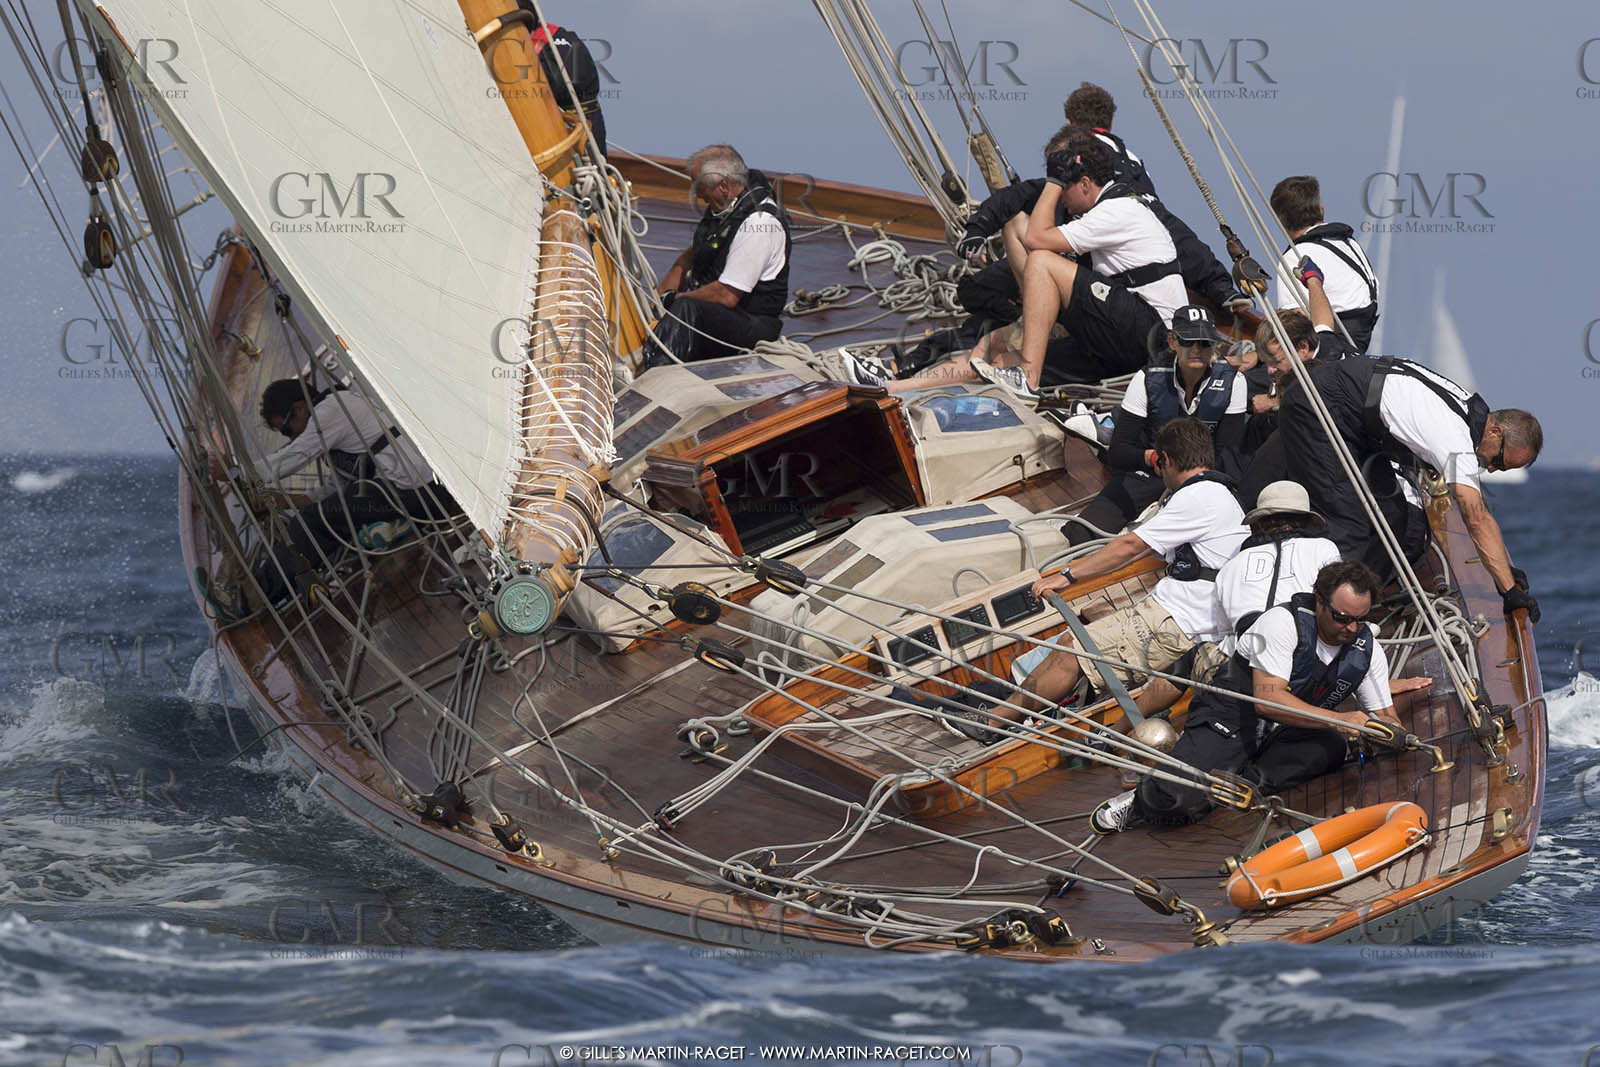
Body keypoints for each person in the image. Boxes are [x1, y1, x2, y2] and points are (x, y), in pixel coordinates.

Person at [948, 418, 1247, 742]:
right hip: (1181, 616)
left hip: (1177, 621)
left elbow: (1131, 545)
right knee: (1069, 643)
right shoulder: (1220, 495)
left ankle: (991, 723)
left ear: (1167, 461)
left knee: (1072, 651)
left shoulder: (1197, 497)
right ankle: (1013, 717)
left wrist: (1068, 576)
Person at [1093, 560, 1431, 833]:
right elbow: (1268, 700)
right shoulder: (1282, 625)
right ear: (1319, 602)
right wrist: (1343, 719)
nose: (1352, 629)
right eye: (1342, 618)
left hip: (1288, 731)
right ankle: (1142, 798)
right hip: (1232, 719)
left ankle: (1238, 783)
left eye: (1361, 620)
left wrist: (1389, 733)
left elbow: (1386, 715)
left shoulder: (1365, 649)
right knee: (1177, 800)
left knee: (1330, 748)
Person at [1279, 349, 1543, 620]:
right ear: (1495, 431)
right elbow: (1476, 517)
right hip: (1317, 407)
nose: (1490, 468)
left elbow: (1473, 499)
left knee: (1394, 516)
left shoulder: (1466, 410)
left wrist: (1501, 567)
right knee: (1351, 525)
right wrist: (1508, 590)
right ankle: (1319, 616)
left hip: (1356, 425)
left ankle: (1363, 604)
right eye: (1498, 462)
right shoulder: (1455, 436)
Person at [969, 138, 1188, 399]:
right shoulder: (1114, 208)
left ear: (1085, 184)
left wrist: (1053, 182)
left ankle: (1028, 380)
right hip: (1124, 340)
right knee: (1004, 364)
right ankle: (1024, 382)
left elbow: (1035, 240)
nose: (1061, 198)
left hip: (1154, 334)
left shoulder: (1116, 210)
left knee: (1042, 260)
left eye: (1065, 187)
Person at [209, 379, 452, 602]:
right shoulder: (334, 432)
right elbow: (338, 487)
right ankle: (273, 587)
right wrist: (289, 501)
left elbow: (296, 455)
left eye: (287, 429)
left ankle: (250, 598)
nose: (290, 438)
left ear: (301, 408)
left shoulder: (333, 409)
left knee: (315, 521)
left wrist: (236, 468)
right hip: (404, 488)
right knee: (324, 514)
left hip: (422, 488)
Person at [1062, 304, 1246, 545]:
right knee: (1079, 534)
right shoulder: (1147, 379)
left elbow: (1228, 455)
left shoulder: (1235, 381)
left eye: (1204, 342)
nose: (1196, 349)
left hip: (1205, 478)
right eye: (1188, 341)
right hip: (1152, 470)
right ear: (1172, 342)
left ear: (1214, 346)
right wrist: (1152, 458)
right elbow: (1119, 451)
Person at [1061, 83, 1247, 313]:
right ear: (1109, 121)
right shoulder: (1128, 154)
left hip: (1117, 218)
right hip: (1147, 212)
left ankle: (1216, 294)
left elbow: (1067, 193)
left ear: (1069, 122)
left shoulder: (1076, 148)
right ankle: (1224, 292)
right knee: (1189, 246)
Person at [645, 145, 791, 366]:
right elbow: (689, 258)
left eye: (700, 188)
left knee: (685, 309)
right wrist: (658, 300)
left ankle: (654, 375)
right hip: (717, 314)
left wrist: (676, 300)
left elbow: (726, 295)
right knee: (677, 308)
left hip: (751, 324)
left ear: (724, 186)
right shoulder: (726, 207)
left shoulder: (759, 224)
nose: (697, 195)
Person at [1270, 175, 1379, 353]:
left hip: (1331, 346)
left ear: (1280, 222)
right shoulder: (1349, 243)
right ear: (1322, 209)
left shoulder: (1295, 257)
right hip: (1361, 339)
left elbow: (1293, 321)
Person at [513, 4, 607, 155]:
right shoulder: (560, 35)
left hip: (574, 127)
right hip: (587, 121)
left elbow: (566, 87)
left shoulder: (547, 42)